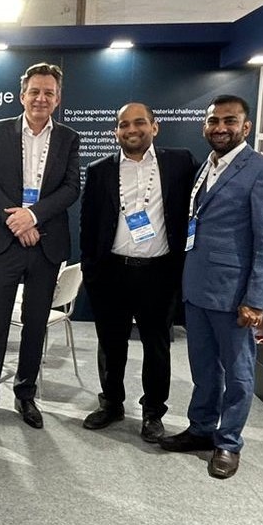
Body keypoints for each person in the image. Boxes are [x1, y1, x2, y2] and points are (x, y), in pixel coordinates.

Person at [159, 94, 263, 479]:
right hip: (197, 287)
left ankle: (229, 442)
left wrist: (256, 299)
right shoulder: (206, 168)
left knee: (239, 371)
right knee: (203, 367)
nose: (220, 128)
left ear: (245, 127)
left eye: (229, 121)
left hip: (235, 295)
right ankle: (201, 429)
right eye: (213, 121)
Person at [0, 63, 80, 439]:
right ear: (22, 94)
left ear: (57, 99)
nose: (41, 98)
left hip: (45, 241)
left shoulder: (69, 137)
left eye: (49, 93)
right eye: (35, 91)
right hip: (5, 241)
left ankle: (26, 395)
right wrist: (16, 220)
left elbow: (71, 188)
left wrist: (33, 217)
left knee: (34, 324)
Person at [78, 102, 197, 442]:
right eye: (124, 125)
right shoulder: (100, 169)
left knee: (156, 345)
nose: (132, 130)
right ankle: (112, 403)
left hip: (159, 272)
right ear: (116, 131)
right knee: (111, 344)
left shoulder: (180, 162)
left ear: (154, 127)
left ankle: (153, 412)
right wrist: (91, 269)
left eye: (139, 123)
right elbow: (88, 225)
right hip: (112, 271)